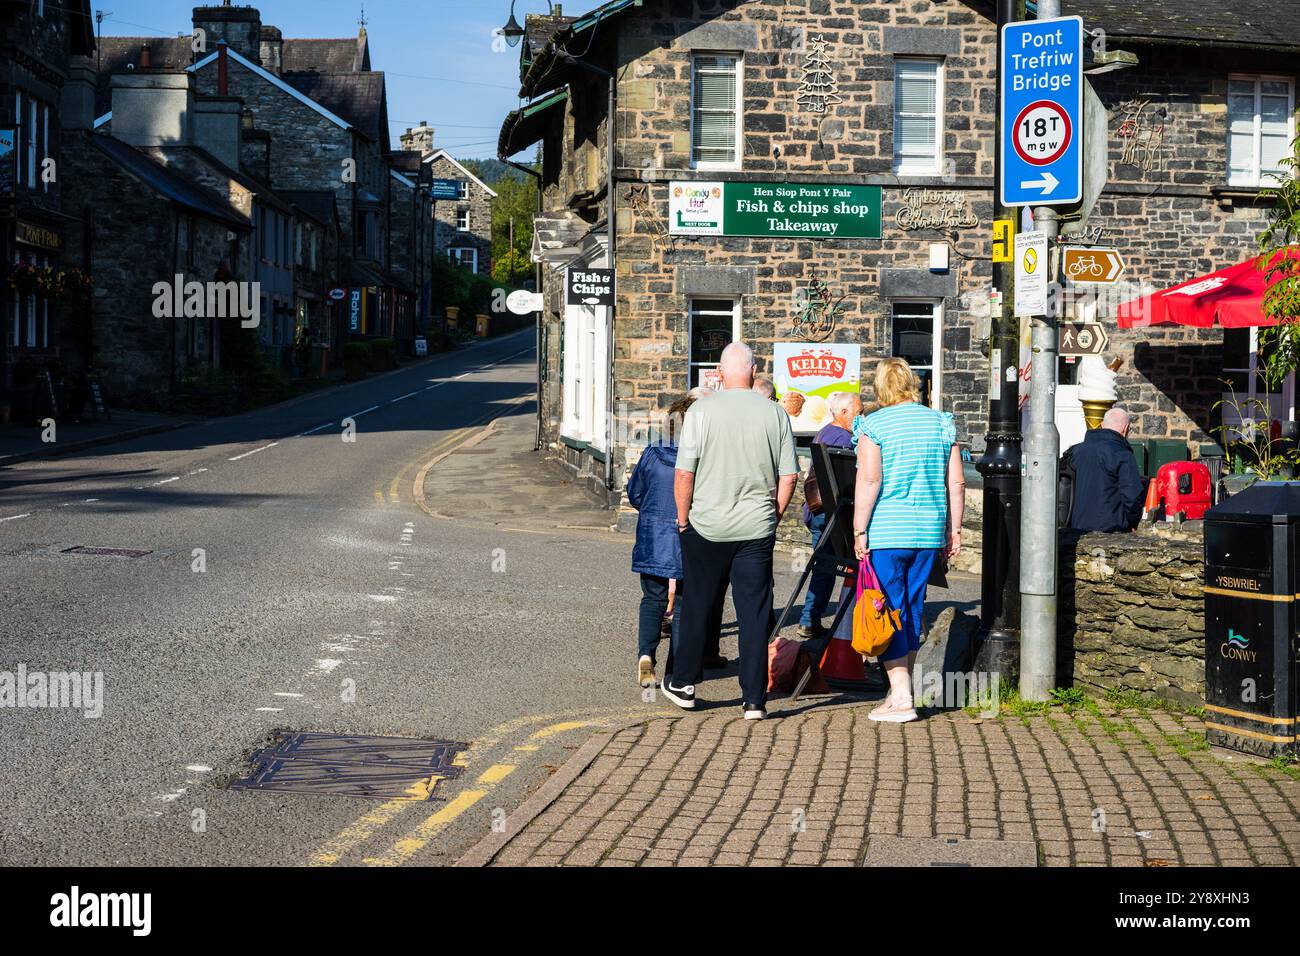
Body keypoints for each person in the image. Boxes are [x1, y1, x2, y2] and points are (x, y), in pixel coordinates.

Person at [669, 342, 799, 719]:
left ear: (719, 373)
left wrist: (682, 520)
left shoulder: (701, 411)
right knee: (755, 612)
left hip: (706, 524)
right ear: (755, 371)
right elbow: (789, 475)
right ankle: (754, 699)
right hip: (756, 528)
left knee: (697, 605)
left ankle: (685, 683)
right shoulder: (775, 413)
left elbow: (684, 473)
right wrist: (771, 516)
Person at [852, 358, 964, 724]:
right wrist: (955, 530)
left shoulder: (874, 424)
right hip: (929, 530)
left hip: (887, 530)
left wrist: (859, 528)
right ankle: (898, 690)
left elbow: (869, 482)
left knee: (886, 608)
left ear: (881, 387)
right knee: (911, 609)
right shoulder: (940, 423)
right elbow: (957, 483)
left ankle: (902, 698)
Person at [626, 391, 710, 688]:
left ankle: (646, 655)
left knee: (652, 598)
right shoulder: (703, 459)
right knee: (686, 605)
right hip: (690, 536)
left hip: (652, 537)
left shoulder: (652, 452)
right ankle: (676, 673)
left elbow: (635, 493)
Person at [798, 390, 863, 638]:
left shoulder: (825, 431)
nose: (860, 417)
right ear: (843, 412)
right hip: (833, 511)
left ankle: (809, 619)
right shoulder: (843, 439)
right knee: (835, 568)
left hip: (818, 510)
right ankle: (841, 625)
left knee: (822, 568)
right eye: (857, 412)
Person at [1068, 406, 1146, 533]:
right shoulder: (1122, 454)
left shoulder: (1075, 452)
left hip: (1075, 529)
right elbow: (1132, 496)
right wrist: (1133, 521)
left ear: (1102, 425)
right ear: (1126, 429)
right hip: (1110, 530)